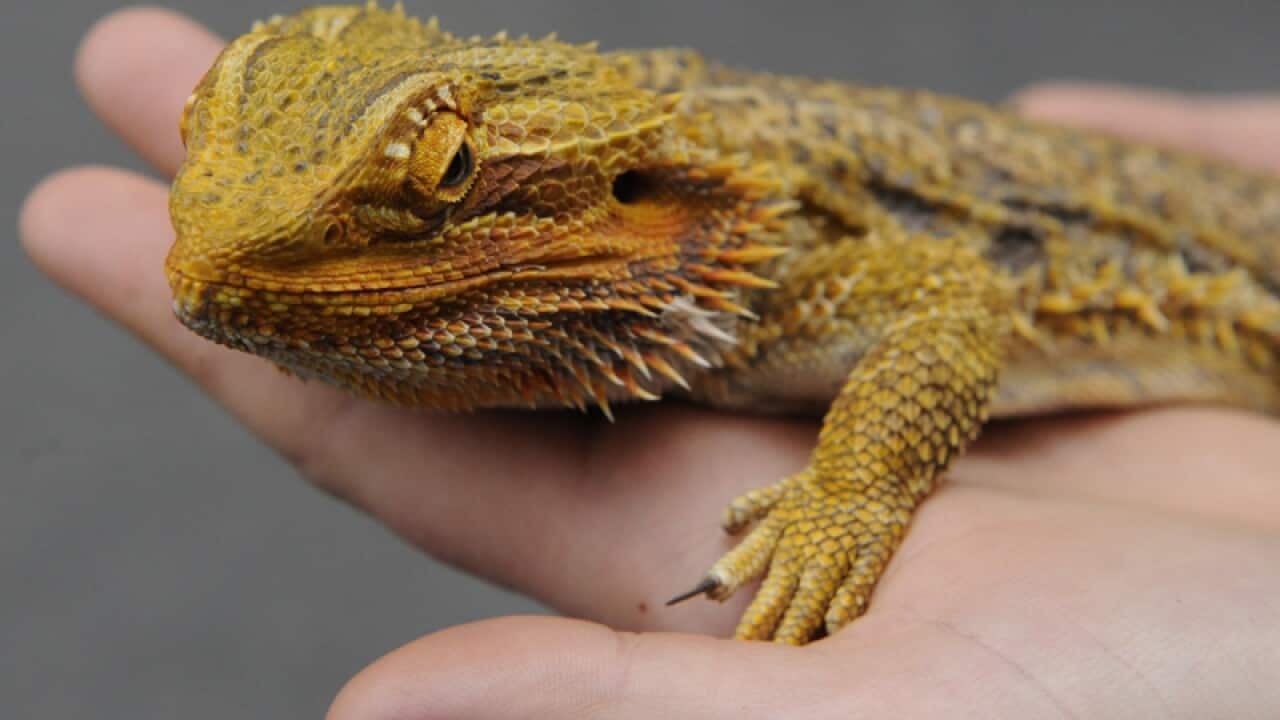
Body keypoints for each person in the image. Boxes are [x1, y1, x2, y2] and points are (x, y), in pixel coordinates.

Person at [20, 8, 1280, 718]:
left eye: (440, 180)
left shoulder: (774, 256)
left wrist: (851, 496)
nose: (200, 260)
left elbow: (949, 304)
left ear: (628, 193)